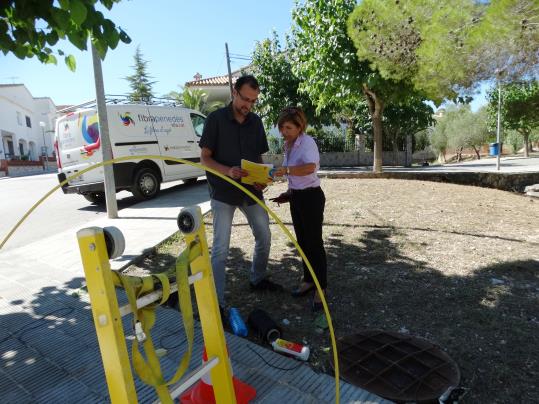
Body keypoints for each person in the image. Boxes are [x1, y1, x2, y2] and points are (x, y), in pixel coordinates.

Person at [199, 75, 283, 310]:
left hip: (251, 192)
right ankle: (217, 302)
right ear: (234, 92)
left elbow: (258, 158)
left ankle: (257, 279)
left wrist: (262, 179)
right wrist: (228, 171)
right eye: (245, 99)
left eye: (254, 101)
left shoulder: (255, 122)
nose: (249, 105)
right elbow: (204, 158)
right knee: (221, 249)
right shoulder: (215, 119)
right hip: (223, 193)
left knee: (264, 236)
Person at [271, 107, 327, 312]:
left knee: (314, 243)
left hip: (312, 197)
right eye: (281, 127)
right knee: (302, 243)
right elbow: (294, 174)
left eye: (288, 127)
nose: (283, 131)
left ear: (299, 126)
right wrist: (287, 193)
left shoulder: (307, 142)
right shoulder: (289, 145)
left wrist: (286, 170)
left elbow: (310, 167)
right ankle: (308, 280)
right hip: (297, 197)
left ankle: (321, 288)